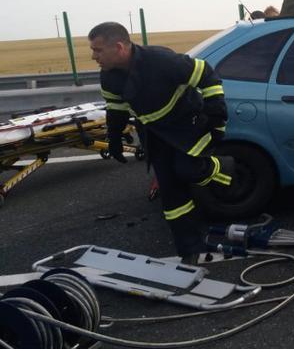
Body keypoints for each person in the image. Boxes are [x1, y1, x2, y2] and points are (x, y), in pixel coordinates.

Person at [88, 22, 231, 261]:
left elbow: (206, 74)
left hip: (187, 124)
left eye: (98, 50)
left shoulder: (161, 61)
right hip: (155, 134)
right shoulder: (109, 77)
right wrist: (114, 137)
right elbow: (116, 108)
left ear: (119, 47)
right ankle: (190, 249)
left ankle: (224, 168)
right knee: (171, 194)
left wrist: (216, 115)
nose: (94, 56)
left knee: (188, 169)